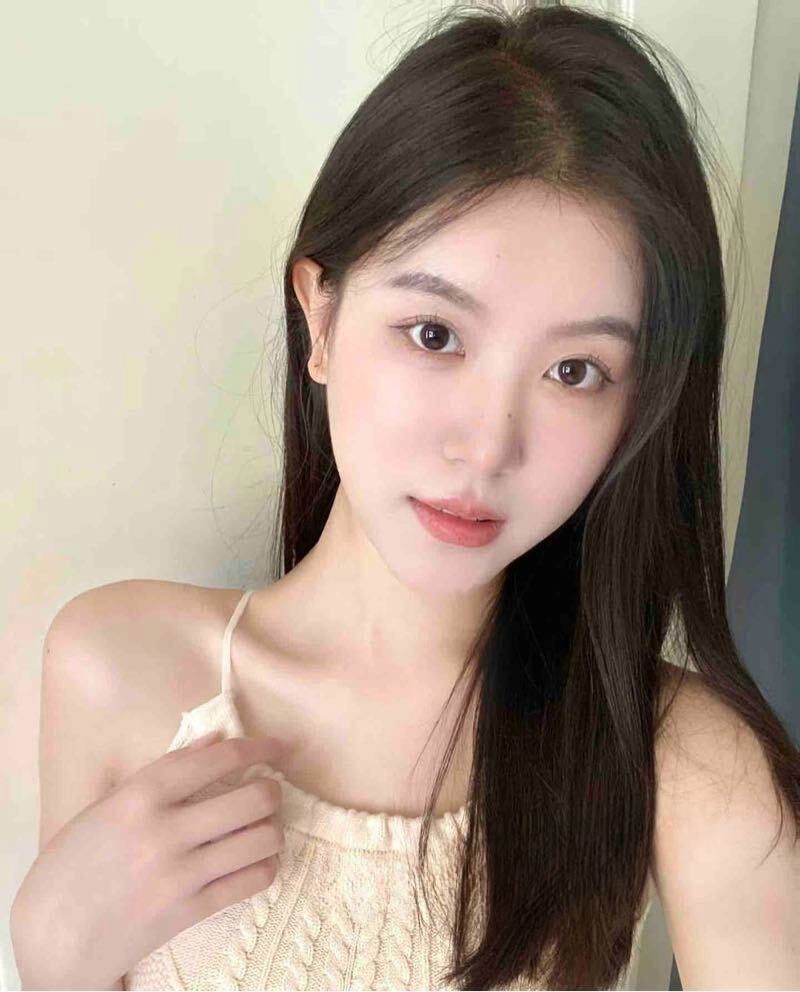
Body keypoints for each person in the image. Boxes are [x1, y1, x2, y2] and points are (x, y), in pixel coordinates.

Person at [15, 2, 800, 990]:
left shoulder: (684, 765)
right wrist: (49, 961)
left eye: (574, 372)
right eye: (435, 334)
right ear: (321, 316)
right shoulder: (118, 668)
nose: (487, 445)